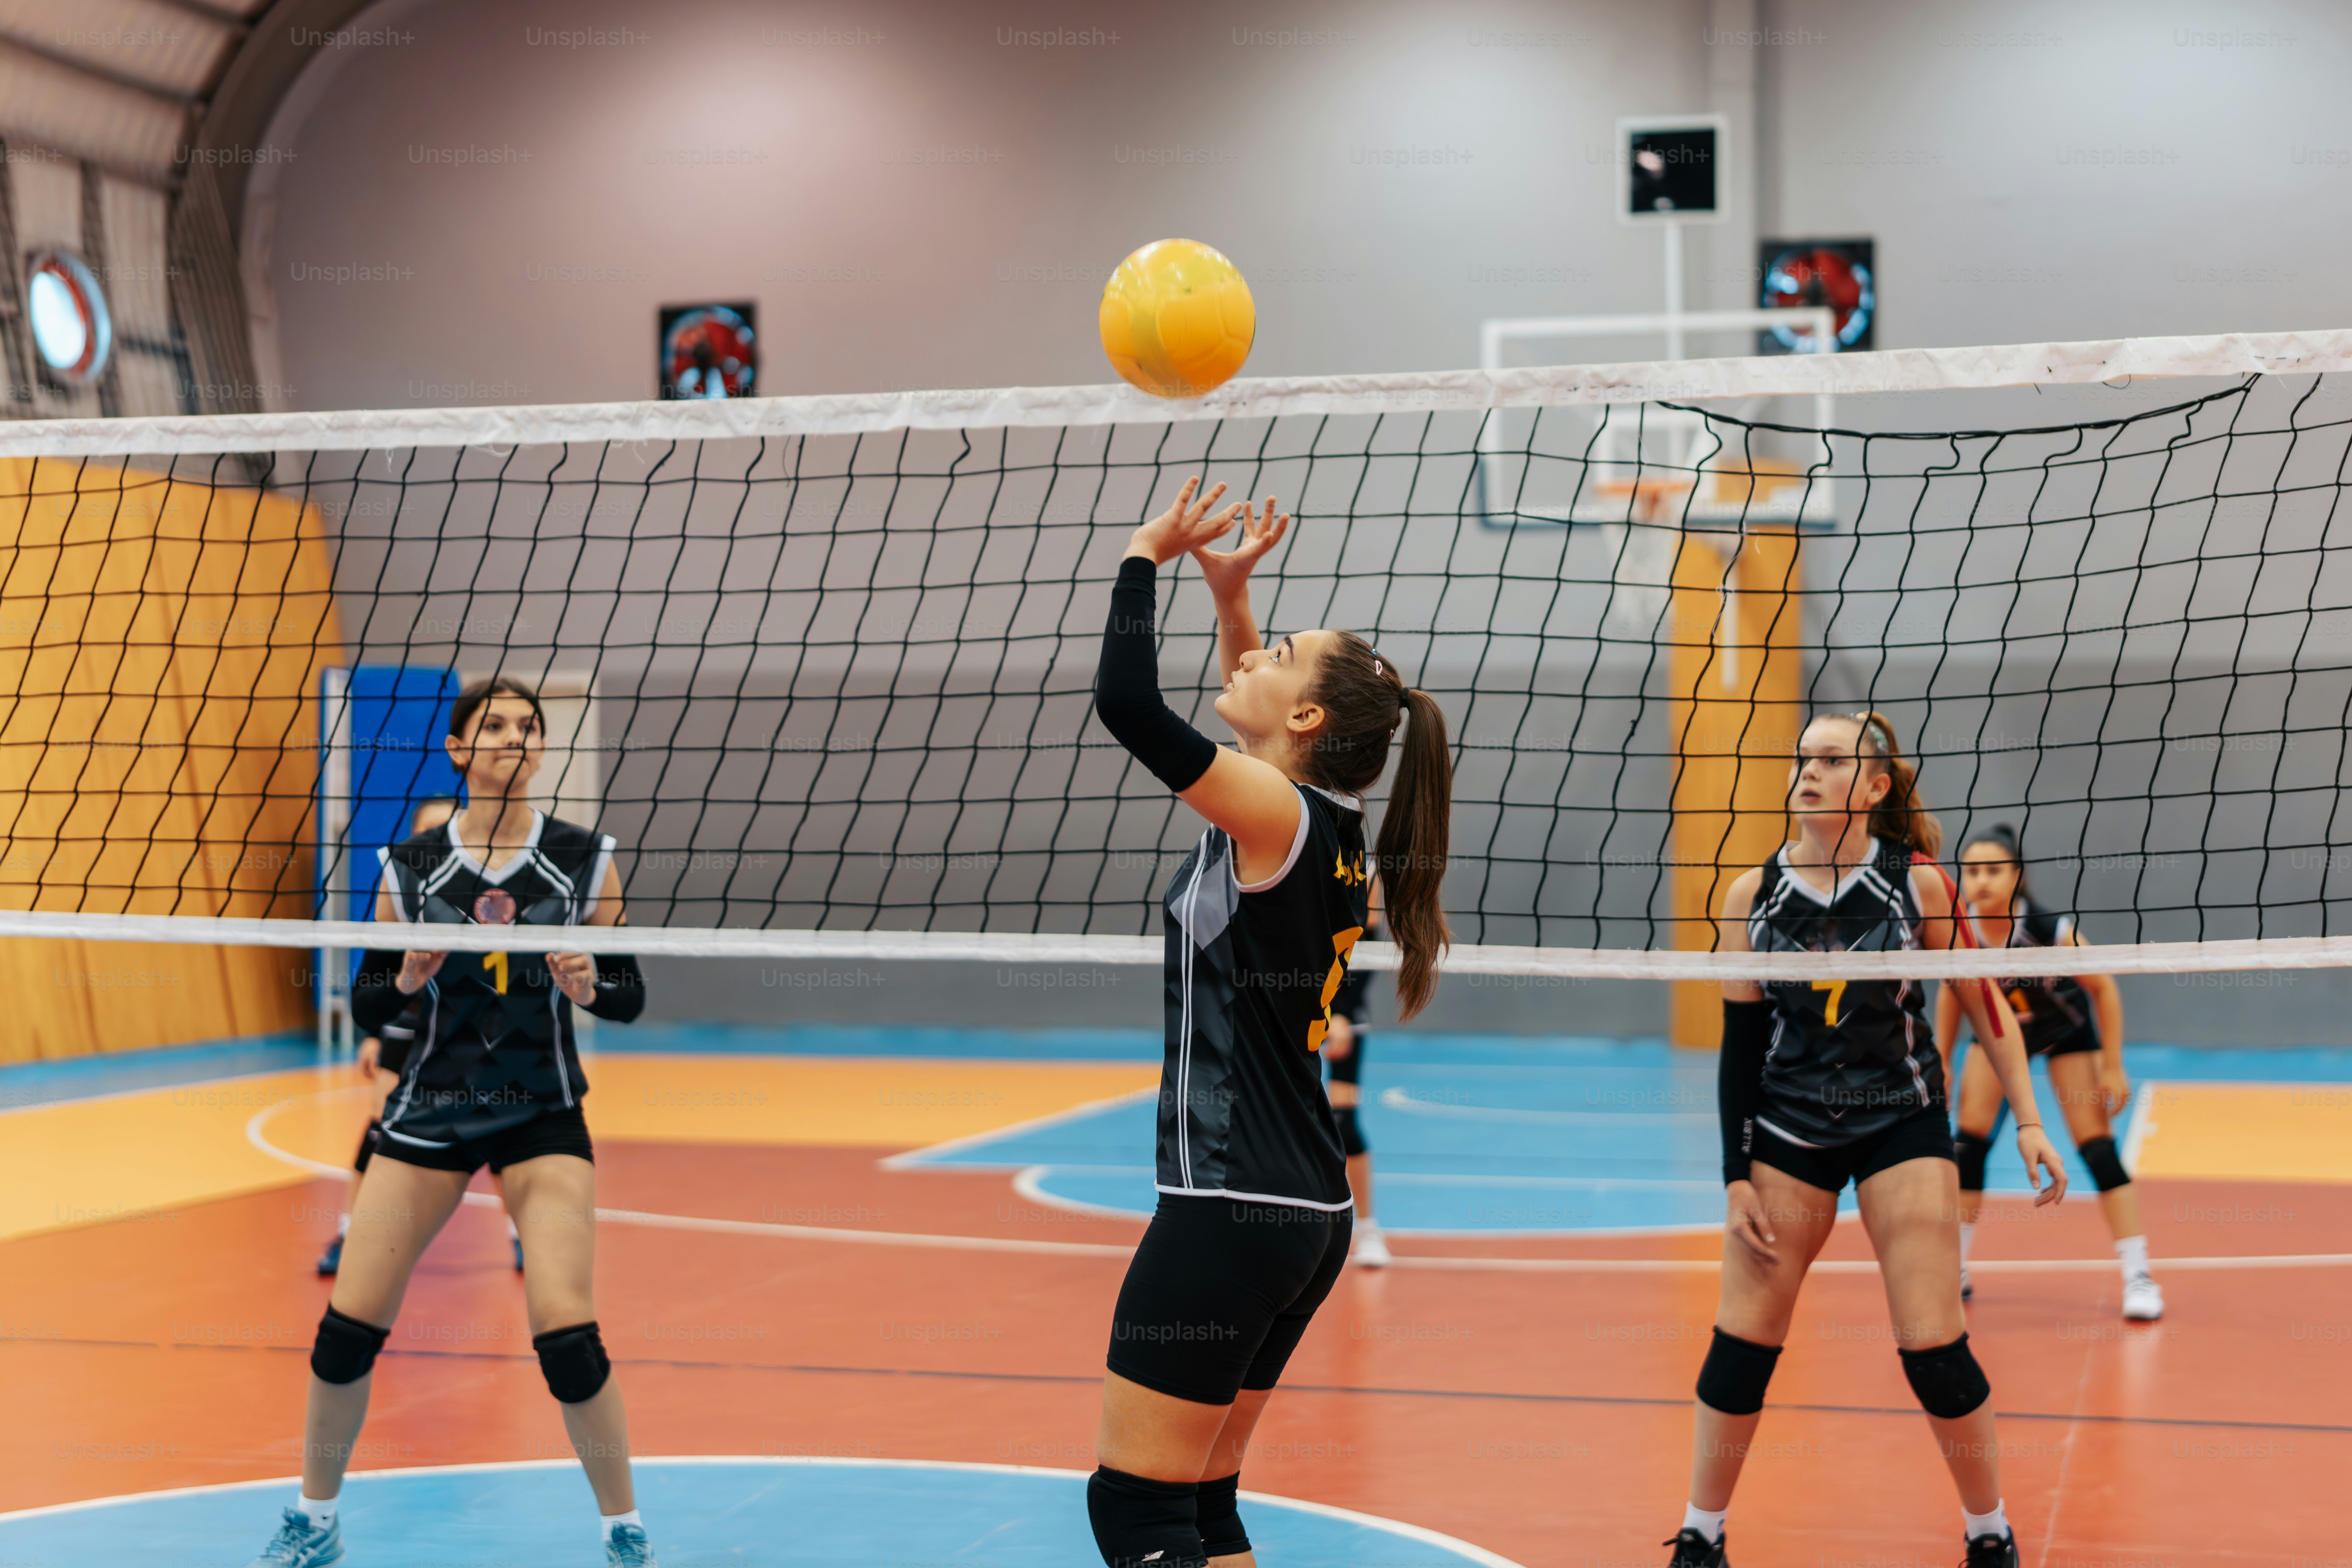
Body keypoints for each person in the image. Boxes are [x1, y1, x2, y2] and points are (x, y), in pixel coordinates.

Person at [1088, 478, 1453, 1568]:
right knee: (1203, 1509)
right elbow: (1255, 730)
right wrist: (1232, 599)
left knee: (1138, 1513)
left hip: (1227, 1203)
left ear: (1303, 720)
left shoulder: (1273, 812)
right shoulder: (1316, 822)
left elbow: (1128, 708)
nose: (1251, 660)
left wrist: (1142, 556)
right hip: (1303, 1213)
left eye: (1277, 652)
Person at [246, 676, 653, 1568]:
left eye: (529, 727)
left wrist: (593, 985)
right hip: (431, 1110)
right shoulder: (412, 867)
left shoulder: (587, 860)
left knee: (566, 1335)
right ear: (461, 751)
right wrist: (404, 976)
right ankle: (315, 1519)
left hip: (541, 1109)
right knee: (348, 1329)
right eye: (495, 726)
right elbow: (363, 1003)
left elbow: (630, 995)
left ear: (541, 751)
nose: (515, 737)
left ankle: (625, 1534)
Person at [1665, 711, 2067, 1568]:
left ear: (1874, 787)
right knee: (1742, 1343)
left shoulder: (1915, 885)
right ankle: (1701, 1536)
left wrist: (2029, 1119)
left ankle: (1988, 1533)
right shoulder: (1750, 897)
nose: (1807, 771)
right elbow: (1740, 1050)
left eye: (1830, 759)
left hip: (1901, 1120)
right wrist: (1736, 1173)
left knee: (1933, 1346)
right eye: (1801, 758)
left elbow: (1988, 1002)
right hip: (1787, 1126)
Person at [1935, 824, 2160, 1320]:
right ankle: (1954, 1270)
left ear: (2016, 875)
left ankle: (2138, 1274)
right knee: (1967, 1143)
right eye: (1971, 871)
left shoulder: (2049, 928)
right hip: (1997, 1035)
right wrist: (1943, 1062)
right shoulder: (1960, 932)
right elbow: (1952, 993)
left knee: (2097, 1148)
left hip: (2064, 1032)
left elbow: (2102, 988)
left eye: (1994, 870)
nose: (1981, 881)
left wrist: (2112, 1066)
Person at [319, 798, 529, 1277]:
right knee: (380, 1128)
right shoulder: (401, 891)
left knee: (501, 1131)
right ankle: (351, 1230)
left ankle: (521, 1234)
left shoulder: (490, 895)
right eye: (427, 831)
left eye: (446, 829)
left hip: (475, 1028)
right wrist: (372, 1035)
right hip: (407, 1026)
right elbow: (376, 974)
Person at [1321, 881, 1388, 1267]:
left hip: (1342, 1012)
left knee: (1343, 1122)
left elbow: (1369, 944)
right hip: (1286, 1005)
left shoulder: (1368, 872)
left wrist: (1341, 1012)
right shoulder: (1289, 847)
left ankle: (1367, 1228)